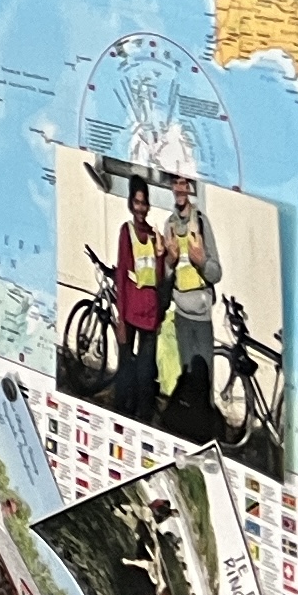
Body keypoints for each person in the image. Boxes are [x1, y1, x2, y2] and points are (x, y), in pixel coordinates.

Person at [108, 180, 170, 424]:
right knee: (125, 370)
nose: (141, 208)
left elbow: (158, 278)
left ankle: (142, 420)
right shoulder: (127, 232)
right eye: (137, 202)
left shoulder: (155, 236)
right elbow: (122, 275)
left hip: (150, 314)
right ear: (130, 204)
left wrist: (161, 254)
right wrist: (121, 319)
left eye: (144, 203)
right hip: (130, 313)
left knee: (145, 374)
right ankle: (121, 416)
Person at [164, 205, 221, 446]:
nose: (179, 189)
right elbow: (166, 273)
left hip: (201, 317)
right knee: (187, 383)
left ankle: (205, 440)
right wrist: (170, 261)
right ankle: (188, 437)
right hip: (181, 315)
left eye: (184, 186)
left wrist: (202, 261)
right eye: (175, 186)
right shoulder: (169, 224)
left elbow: (216, 274)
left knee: (204, 384)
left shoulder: (202, 223)